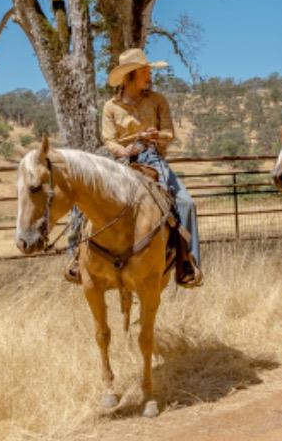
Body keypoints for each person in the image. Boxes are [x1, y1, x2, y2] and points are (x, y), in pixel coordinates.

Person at [66, 48, 202, 287]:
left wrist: (156, 135)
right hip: (120, 162)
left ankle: (187, 263)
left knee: (185, 203)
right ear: (130, 76)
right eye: (144, 71)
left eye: (149, 70)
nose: (149, 75)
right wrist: (124, 149)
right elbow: (108, 140)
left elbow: (170, 133)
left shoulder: (158, 100)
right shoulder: (111, 107)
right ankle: (75, 258)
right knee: (82, 203)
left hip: (152, 158)